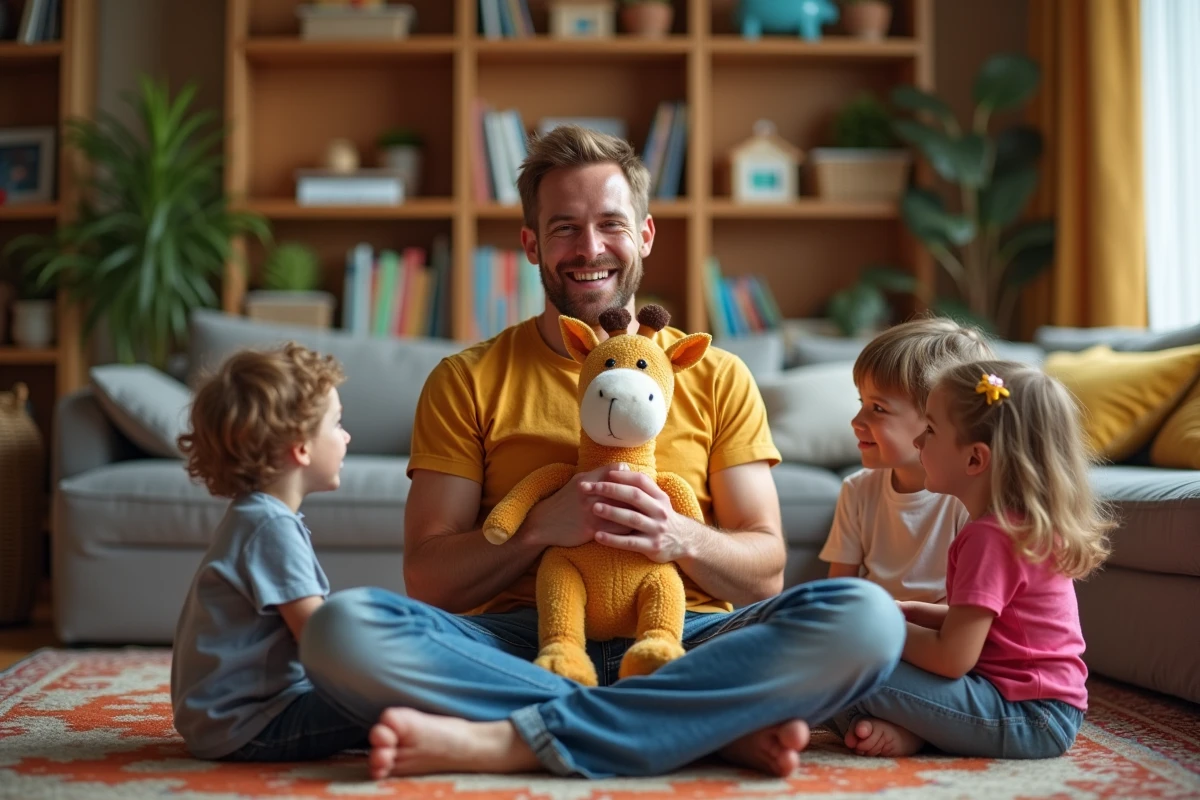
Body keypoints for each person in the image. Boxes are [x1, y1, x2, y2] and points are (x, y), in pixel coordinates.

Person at [298, 125, 905, 779]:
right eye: (564, 227)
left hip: (687, 637)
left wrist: (679, 536)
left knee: (867, 619)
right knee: (341, 629)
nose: (589, 249)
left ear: (644, 236)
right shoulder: (467, 378)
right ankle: (697, 727)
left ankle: (515, 740)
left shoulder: (718, 375)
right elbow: (429, 579)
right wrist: (537, 531)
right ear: (531, 244)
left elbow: (765, 571)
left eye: (610, 225)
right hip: (522, 641)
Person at [831, 360, 1114, 758]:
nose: (917, 443)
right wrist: (910, 612)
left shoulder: (990, 538)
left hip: (1030, 717)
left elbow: (952, 657)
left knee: (848, 670)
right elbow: (986, 627)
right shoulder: (1007, 528)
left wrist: (876, 625)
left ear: (975, 460)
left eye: (929, 431)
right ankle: (920, 730)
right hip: (1036, 708)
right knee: (850, 669)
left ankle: (915, 731)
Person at [171, 343, 367, 761]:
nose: (346, 435)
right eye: (337, 423)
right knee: (406, 695)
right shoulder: (270, 526)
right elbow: (321, 641)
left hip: (227, 719)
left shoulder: (256, 516)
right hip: (250, 725)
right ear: (301, 447)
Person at [819, 317, 994, 602]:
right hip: (871, 631)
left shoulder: (966, 500)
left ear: (935, 421)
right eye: (861, 403)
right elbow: (838, 594)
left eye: (878, 408)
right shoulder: (857, 490)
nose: (856, 421)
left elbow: (968, 615)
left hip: (942, 635)